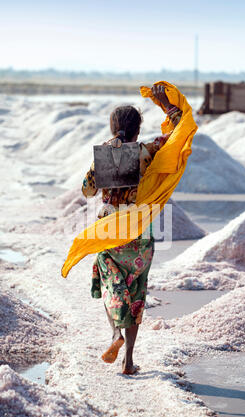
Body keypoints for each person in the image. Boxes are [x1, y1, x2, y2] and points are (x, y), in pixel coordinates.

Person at [82, 85, 182, 374]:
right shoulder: (146, 151)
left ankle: (115, 334)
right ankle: (128, 361)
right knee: (136, 293)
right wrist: (165, 103)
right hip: (139, 234)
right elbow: (178, 133)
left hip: (110, 234)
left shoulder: (102, 157)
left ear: (112, 128)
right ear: (137, 130)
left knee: (109, 286)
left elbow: (87, 191)